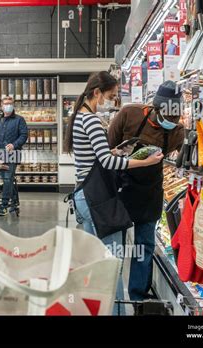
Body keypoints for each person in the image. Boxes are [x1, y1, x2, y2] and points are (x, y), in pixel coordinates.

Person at [64, 71, 164, 315]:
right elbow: (107, 163)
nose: (112, 101)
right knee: (111, 265)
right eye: (111, 96)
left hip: (84, 196)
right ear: (96, 93)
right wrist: (144, 162)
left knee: (98, 263)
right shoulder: (91, 121)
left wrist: (117, 153)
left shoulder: (79, 117)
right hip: (98, 199)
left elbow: (99, 157)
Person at [107, 80, 185, 301]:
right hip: (121, 187)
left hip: (149, 192)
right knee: (116, 247)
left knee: (145, 246)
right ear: (156, 107)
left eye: (175, 118)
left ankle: (137, 297)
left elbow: (184, 161)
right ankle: (111, 294)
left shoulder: (178, 132)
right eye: (168, 117)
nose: (172, 122)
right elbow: (106, 149)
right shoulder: (129, 114)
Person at [0, 96, 28, 216]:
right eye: (5, 103)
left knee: (7, 179)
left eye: (10, 103)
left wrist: (14, 145)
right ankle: (14, 202)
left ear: (13, 105)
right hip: (0, 154)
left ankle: (4, 206)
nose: (8, 105)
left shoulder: (19, 120)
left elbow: (24, 136)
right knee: (8, 180)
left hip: (13, 154)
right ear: (2, 105)